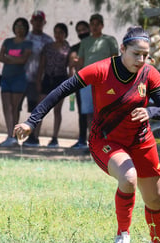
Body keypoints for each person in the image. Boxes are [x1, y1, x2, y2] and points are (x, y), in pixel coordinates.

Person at [14, 26, 160, 243]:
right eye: (135, 53)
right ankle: (123, 235)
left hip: (141, 140)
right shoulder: (101, 69)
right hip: (106, 140)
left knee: (154, 199)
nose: (140, 59)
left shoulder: (150, 74)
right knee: (128, 178)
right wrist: (31, 121)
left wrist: (151, 112)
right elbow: (61, 90)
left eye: (145, 55)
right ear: (122, 49)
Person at [77, 13, 119, 137]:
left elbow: (115, 60)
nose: (94, 27)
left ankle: (107, 140)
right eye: (92, 24)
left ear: (102, 26)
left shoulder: (109, 40)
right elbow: (80, 62)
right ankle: (94, 140)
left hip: (104, 81)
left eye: (97, 24)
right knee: (89, 113)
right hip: (87, 81)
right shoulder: (85, 42)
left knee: (104, 112)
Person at [33, 23, 71, 148]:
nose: (58, 35)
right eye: (56, 32)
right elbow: (42, 65)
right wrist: (38, 81)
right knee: (41, 108)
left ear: (65, 34)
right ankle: (35, 136)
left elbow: (69, 66)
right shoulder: (48, 46)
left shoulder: (67, 48)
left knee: (57, 110)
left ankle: (54, 138)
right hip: (47, 79)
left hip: (60, 80)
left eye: (61, 32)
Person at [0, 17, 32, 147]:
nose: (19, 28)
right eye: (17, 25)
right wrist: (14, 59)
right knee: (7, 107)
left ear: (26, 29)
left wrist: (9, 58)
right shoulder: (8, 41)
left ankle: (14, 135)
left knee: (14, 107)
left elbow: (23, 60)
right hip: (6, 77)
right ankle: (9, 135)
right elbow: (0, 57)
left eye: (22, 26)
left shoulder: (28, 44)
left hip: (19, 79)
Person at [23, 10, 54, 147]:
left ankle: (34, 137)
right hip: (22, 77)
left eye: (40, 20)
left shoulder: (48, 41)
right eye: (35, 20)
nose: (37, 23)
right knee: (17, 107)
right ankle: (14, 135)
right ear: (31, 22)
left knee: (36, 109)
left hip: (39, 80)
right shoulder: (25, 38)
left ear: (44, 22)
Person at [68, 20, 90, 149]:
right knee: (82, 113)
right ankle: (82, 139)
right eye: (79, 30)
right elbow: (73, 62)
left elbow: (77, 61)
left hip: (95, 83)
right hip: (80, 83)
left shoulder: (95, 46)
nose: (81, 32)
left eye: (84, 29)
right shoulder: (75, 47)